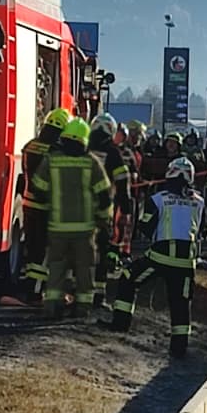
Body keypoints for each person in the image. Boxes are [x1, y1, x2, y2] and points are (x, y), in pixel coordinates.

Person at [109, 156, 203, 357]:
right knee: (181, 304)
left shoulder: (158, 199)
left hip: (160, 257)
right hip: (187, 262)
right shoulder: (199, 202)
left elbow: (145, 227)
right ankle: (179, 348)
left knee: (128, 278)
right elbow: (199, 229)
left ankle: (120, 325)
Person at [28, 116, 112, 320]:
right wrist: (102, 220)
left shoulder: (51, 160)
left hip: (57, 227)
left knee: (56, 268)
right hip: (85, 230)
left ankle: (52, 307)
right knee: (84, 270)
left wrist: (52, 201)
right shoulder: (91, 162)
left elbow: (38, 188)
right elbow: (104, 196)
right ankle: (81, 309)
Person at [20, 106, 73, 302]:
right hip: (46, 208)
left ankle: (30, 286)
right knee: (42, 253)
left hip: (28, 204)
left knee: (32, 249)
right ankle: (34, 292)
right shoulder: (56, 151)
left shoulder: (31, 145)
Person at [88, 112, 131, 306]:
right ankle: (98, 295)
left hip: (78, 208)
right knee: (102, 252)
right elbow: (122, 183)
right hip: (102, 211)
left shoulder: (82, 148)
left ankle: (75, 293)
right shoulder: (113, 153)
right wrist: (126, 208)